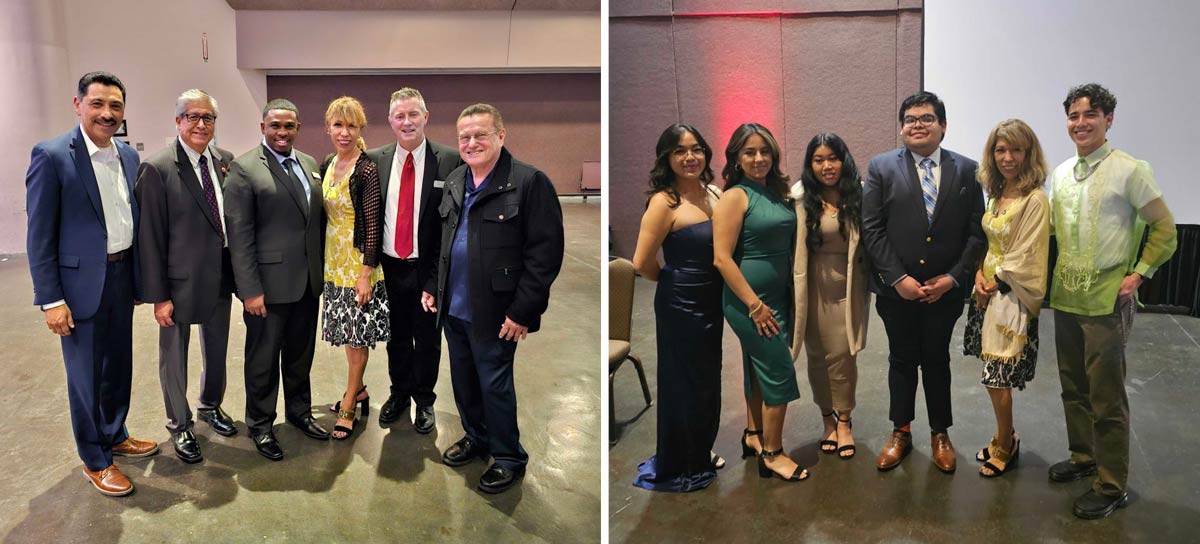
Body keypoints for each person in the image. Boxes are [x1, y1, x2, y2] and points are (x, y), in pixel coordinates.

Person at [26, 71, 159, 496]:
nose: (107, 113)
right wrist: (51, 299)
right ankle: (96, 460)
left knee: (118, 364)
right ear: (78, 105)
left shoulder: (128, 155)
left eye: (115, 106)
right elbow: (39, 236)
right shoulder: (51, 156)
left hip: (120, 276)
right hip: (78, 287)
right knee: (85, 375)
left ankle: (115, 433)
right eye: (97, 103)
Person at [1047, 83, 1177, 519]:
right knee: (1072, 387)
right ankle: (1084, 457)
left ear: (1109, 120)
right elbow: (1049, 229)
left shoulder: (1129, 170)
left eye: (1090, 114)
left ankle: (1111, 483)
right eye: (1073, 116)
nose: (1080, 123)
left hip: (1106, 301)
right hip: (1066, 296)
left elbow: (1165, 229)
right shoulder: (1062, 173)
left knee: (1106, 397)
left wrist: (1139, 274)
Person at [429, 103, 564, 494]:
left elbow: (544, 255)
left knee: (494, 385)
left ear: (501, 136)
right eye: (464, 137)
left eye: (480, 135)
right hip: (454, 308)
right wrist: (432, 286)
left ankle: (508, 457)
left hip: (497, 312)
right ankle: (477, 437)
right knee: (464, 381)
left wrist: (522, 311)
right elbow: (443, 241)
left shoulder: (528, 182)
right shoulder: (456, 179)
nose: (471, 143)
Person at [862, 91, 985, 474]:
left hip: (943, 293)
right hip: (895, 291)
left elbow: (976, 233)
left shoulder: (967, 170)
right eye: (910, 119)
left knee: (936, 359)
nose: (918, 125)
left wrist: (953, 278)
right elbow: (872, 228)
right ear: (901, 127)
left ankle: (940, 433)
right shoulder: (881, 167)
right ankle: (900, 431)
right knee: (900, 359)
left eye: (927, 118)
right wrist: (897, 278)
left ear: (943, 126)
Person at [136, 89, 238, 464]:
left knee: (217, 348)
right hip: (177, 283)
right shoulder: (158, 167)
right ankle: (180, 425)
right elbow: (149, 237)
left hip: (220, 275)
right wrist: (159, 296)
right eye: (192, 116)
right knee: (174, 357)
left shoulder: (225, 161)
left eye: (207, 117)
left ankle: (210, 405)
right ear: (178, 121)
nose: (200, 124)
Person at [225, 98, 329, 460]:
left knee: (301, 355)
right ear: (263, 128)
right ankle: (260, 424)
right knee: (263, 360)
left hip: (307, 283)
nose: (282, 132)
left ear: (298, 128)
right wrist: (250, 290)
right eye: (275, 126)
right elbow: (239, 237)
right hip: (267, 288)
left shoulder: (310, 164)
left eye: (288, 126)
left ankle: (299, 412)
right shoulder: (244, 169)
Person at [631, 123, 724, 492]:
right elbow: (642, 262)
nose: (690, 157)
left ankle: (700, 448)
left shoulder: (715, 193)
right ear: (666, 158)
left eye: (696, 149)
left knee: (707, 379)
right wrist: (675, 281)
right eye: (680, 151)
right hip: (680, 304)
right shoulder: (663, 202)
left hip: (712, 301)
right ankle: (682, 461)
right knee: (683, 382)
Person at [712, 122, 807, 482]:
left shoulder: (775, 191)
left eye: (765, 151)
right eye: (749, 152)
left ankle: (754, 434)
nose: (758, 158)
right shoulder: (735, 196)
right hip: (749, 301)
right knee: (779, 371)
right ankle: (773, 453)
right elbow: (722, 258)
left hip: (777, 296)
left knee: (756, 367)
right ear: (736, 157)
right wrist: (754, 305)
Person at [364, 88, 463, 433]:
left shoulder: (450, 161)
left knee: (428, 340)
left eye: (413, 114)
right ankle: (399, 393)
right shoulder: (375, 160)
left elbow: (451, 226)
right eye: (400, 116)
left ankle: (424, 399)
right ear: (390, 121)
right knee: (396, 338)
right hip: (389, 267)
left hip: (428, 268)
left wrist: (435, 278)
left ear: (426, 117)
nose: (407, 122)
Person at [962, 119, 1050, 478]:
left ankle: (1006, 445)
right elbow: (988, 244)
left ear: (1029, 154)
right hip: (987, 291)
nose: (1008, 157)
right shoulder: (996, 193)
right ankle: (1004, 435)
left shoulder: (1035, 199)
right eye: (1001, 150)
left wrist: (994, 282)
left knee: (997, 377)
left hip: (1011, 296)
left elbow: (1027, 253)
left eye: (1016, 149)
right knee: (991, 374)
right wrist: (978, 277)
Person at [789, 132, 870, 461]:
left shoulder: (859, 194)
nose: (827, 166)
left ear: (843, 159)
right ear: (810, 164)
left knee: (843, 356)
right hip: (811, 288)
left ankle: (845, 421)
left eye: (833, 158)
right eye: (819, 160)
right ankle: (827, 420)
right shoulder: (799, 197)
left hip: (848, 287)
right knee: (817, 356)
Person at [317, 96, 389, 440]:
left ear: (361, 129)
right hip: (333, 262)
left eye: (351, 126)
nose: (344, 132)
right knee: (347, 334)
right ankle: (358, 390)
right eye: (338, 125)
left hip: (358, 264)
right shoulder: (329, 163)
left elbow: (373, 226)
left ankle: (349, 402)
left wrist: (365, 274)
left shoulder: (366, 169)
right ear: (328, 128)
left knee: (357, 337)